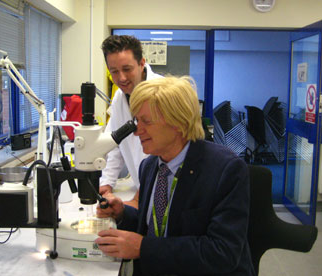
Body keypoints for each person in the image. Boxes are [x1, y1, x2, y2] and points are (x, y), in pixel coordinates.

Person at [95, 76, 254, 276]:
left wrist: (143, 248)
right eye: (136, 120)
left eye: (146, 121)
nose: (137, 131)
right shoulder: (150, 165)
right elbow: (153, 226)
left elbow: (222, 252)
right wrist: (122, 213)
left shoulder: (226, 170)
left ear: (178, 122)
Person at [100, 35, 162, 199]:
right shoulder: (120, 97)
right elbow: (115, 143)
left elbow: (170, 152)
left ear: (142, 63)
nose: (121, 78)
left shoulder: (163, 94)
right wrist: (107, 183)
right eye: (114, 71)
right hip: (141, 189)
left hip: (163, 190)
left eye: (127, 69)